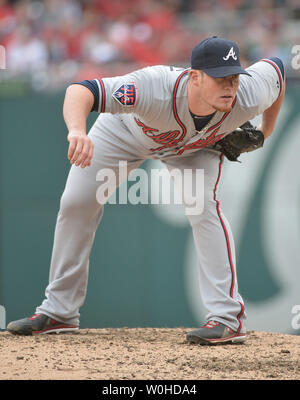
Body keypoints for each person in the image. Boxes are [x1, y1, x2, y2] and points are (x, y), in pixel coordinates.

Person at [7, 36, 285, 344]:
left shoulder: (247, 95)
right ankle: (59, 311)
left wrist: (265, 132)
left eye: (234, 77)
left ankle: (226, 318)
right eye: (221, 78)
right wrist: (76, 130)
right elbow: (81, 90)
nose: (230, 86)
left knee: (204, 207)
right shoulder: (153, 88)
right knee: (76, 203)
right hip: (124, 133)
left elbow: (277, 71)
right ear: (194, 76)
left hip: (194, 149)